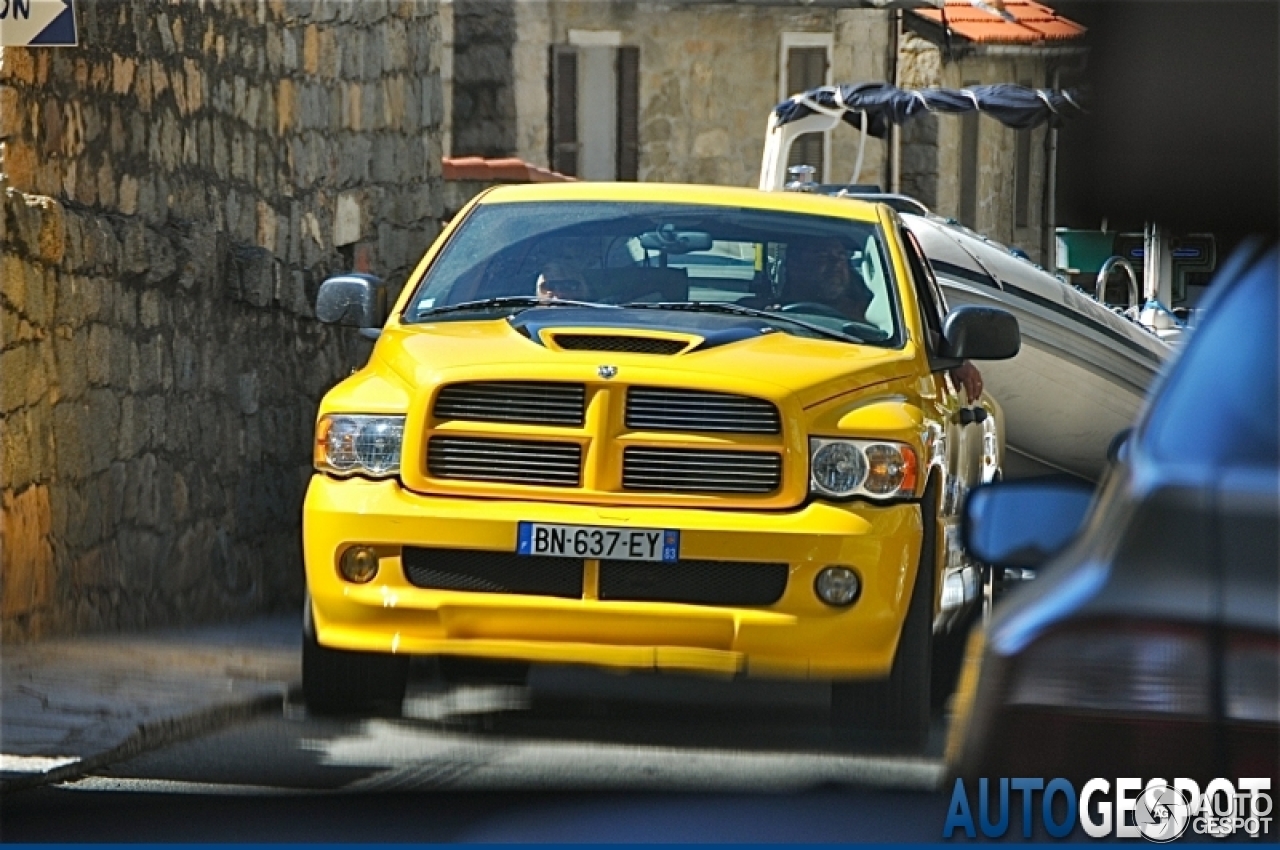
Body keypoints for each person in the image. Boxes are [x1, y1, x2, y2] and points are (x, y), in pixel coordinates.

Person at [784, 237, 984, 401]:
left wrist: (956, 358)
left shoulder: (873, 312)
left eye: (841, 257)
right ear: (795, 265)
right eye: (822, 257)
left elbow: (913, 331)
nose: (837, 265)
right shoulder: (762, 312)